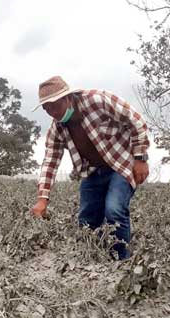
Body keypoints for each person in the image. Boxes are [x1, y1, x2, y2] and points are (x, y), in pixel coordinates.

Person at [30, 76, 150, 260]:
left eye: (54, 105)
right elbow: (50, 162)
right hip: (93, 171)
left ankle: (120, 260)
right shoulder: (57, 129)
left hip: (121, 164)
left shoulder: (98, 100)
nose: (51, 112)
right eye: (46, 108)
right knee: (86, 219)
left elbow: (136, 121)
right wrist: (42, 199)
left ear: (67, 97)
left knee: (114, 210)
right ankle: (91, 258)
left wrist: (140, 158)